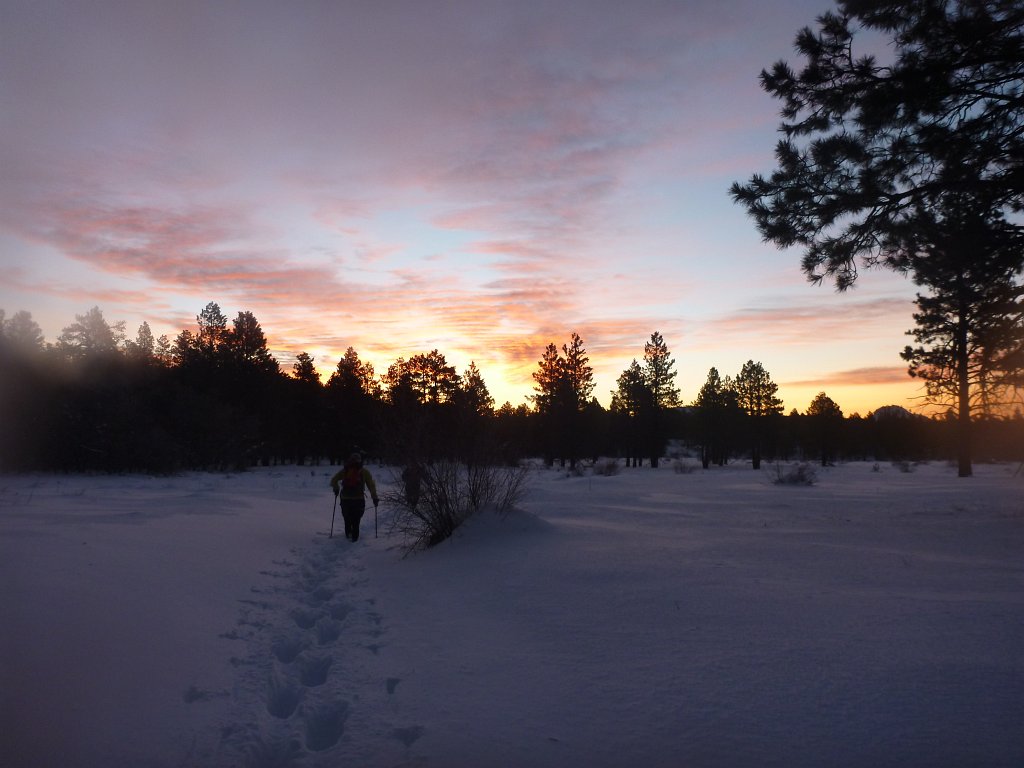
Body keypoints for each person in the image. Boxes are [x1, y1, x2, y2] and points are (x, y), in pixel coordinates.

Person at [330, 452, 379, 542]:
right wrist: (374, 497)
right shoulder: (364, 472)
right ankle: (354, 538)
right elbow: (371, 485)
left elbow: (333, 480)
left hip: (345, 498)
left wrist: (336, 489)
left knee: (347, 517)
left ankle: (348, 534)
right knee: (356, 519)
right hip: (358, 499)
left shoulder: (345, 470)